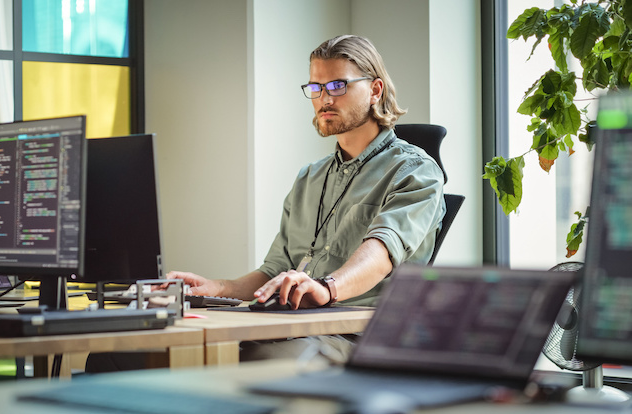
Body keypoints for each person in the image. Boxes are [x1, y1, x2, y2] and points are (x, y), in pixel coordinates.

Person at [85, 35, 445, 371]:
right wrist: (218, 288)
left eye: (338, 85)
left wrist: (327, 288)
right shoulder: (310, 177)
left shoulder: (415, 171)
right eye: (316, 88)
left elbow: (381, 252)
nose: (325, 99)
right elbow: (275, 269)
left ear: (374, 90)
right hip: (287, 325)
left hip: (355, 333)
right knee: (121, 355)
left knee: (255, 366)